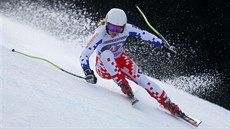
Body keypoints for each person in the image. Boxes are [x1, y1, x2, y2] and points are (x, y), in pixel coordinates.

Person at [80, 8, 180, 115]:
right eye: (112, 27)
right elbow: (84, 54)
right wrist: (87, 71)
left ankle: (167, 103)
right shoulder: (100, 33)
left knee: (142, 79)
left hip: (121, 60)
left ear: (124, 26)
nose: (114, 31)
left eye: (118, 29)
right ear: (106, 23)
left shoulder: (127, 28)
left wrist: (164, 47)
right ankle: (123, 84)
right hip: (104, 68)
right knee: (106, 53)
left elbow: (145, 35)